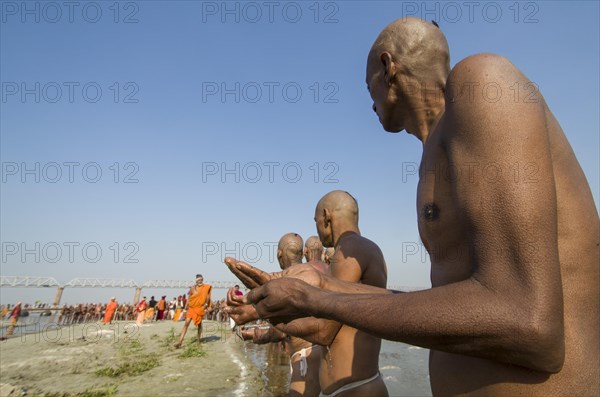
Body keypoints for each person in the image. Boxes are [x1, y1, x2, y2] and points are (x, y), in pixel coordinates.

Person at [237, 17, 599, 397]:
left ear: (387, 67)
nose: (370, 101)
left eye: (368, 86)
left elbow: (528, 320)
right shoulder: (436, 150)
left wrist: (321, 300)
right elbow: (458, 304)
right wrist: (317, 287)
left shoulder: (479, 82)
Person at [227, 193, 389, 396]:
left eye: (315, 221)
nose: (317, 228)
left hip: (354, 388)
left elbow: (325, 330)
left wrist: (263, 312)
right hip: (357, 384)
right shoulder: (367, 249)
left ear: (326, 216)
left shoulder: (349, 248)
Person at [242, 233, 325, 397]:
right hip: (324, 354)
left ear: (279, 253)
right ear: (303, 253)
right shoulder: (317, 273)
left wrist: (255, 335)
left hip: (305, 357)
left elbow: (283, 330)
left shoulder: (285, 282)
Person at [174, 274, 212, 348]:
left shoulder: (206, 287)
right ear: (196, 281)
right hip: (191, 308)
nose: (200, 281)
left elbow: (208, 297)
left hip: (200, 308)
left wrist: (207, 306)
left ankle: (198, 339)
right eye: (199, 280)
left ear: (203, 279)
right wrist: (185, 309)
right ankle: (180, 341)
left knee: (199, 325)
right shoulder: (192, 288)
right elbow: (189, 298)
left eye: (201, 280)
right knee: (186, 323)